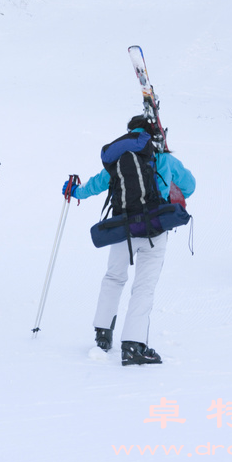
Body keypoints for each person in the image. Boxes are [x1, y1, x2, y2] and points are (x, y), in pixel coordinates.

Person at [64, 115, 195, 366]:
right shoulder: (163, 159)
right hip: (154, 230)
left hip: (123, 230)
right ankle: (133, 345)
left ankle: (103, 333)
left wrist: (74, 191)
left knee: (113, 277)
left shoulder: (117, 161)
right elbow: (190, 187)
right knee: (143, 287)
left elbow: (94, 186)